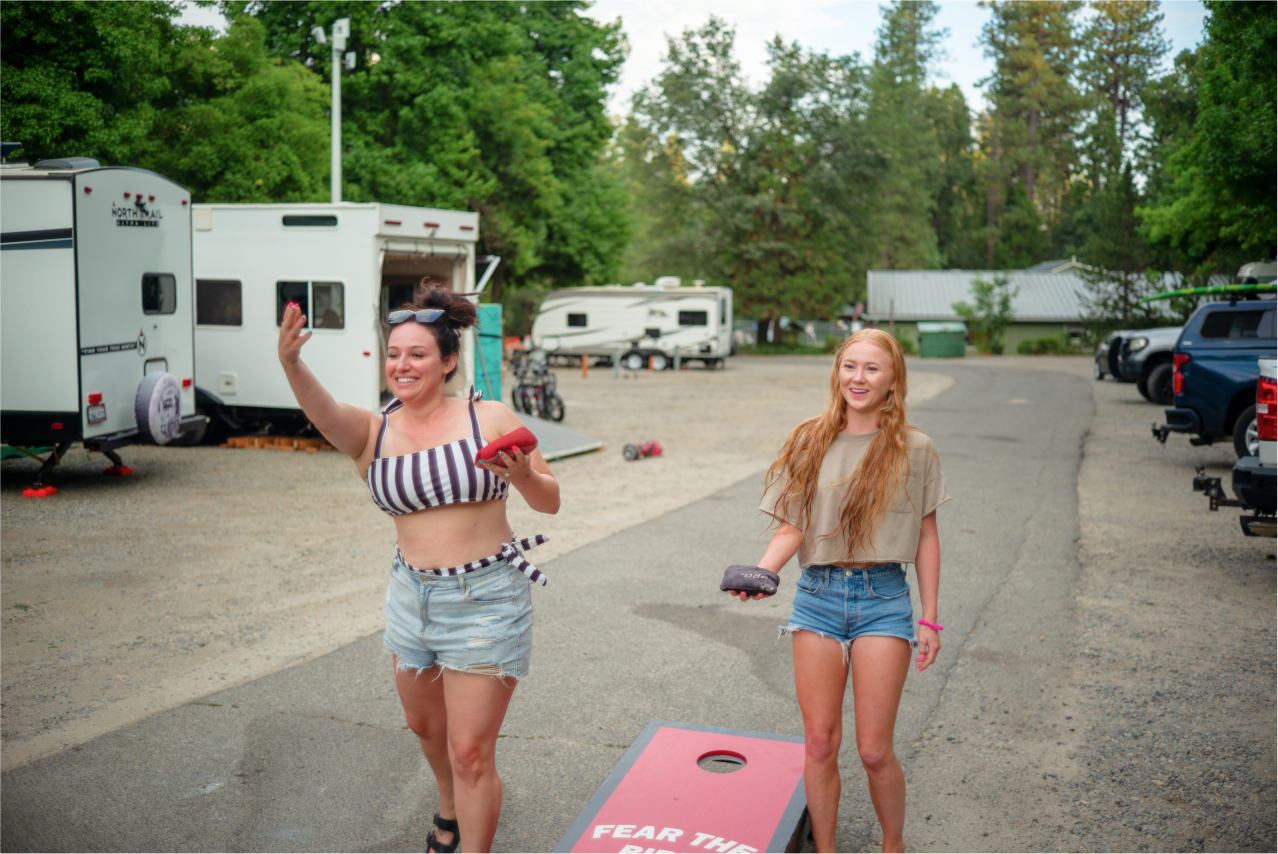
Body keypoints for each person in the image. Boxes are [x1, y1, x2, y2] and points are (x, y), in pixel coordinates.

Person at [277, 279, 560, 854]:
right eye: (394, 354)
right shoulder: (373, 432)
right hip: (411, 597)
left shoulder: (490, 417)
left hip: (486, 598)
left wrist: (523, 475)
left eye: (417, 354)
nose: (401, 365)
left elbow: (550, 500)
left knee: (471, 752)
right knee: (427, 729)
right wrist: (292, 363)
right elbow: (323, 413)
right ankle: (448, 806)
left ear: (448, 361)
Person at [729, 328, 948, 854]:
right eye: (850, 366)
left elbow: (926, 535)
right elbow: (792, 527)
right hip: (818, 596)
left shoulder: (916, 448)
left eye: (872, 368)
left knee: (874, 750)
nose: (858, 378)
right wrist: (763, 574)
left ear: (893, 379)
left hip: (883, 598)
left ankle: (892, 846)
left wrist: (930, 617)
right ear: (837, 372)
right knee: (820, 744)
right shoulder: (810, 439)